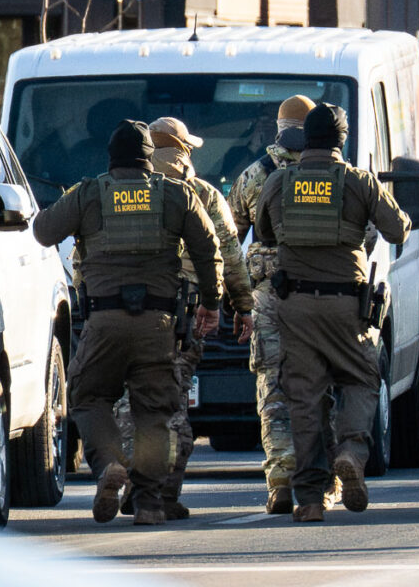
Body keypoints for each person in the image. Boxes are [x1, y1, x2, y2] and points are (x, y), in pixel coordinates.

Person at [33, 120, 224, 526]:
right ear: (149, 157)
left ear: (110, 156)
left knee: (86, 395)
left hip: (104, 321)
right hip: (159, 323)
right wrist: (211, 302)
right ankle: (150, 502)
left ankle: (109, 467)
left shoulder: (88, 194)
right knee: (155, 410)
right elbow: (208, 249)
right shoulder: (176, 194)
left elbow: (43, 231)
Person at [255, 103, 411, 522]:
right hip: (347, 306)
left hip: (296, 308)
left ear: (306, 139)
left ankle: (309, 499)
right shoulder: (359, 182)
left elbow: (264, 233)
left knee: (304, 400)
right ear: (342, 140)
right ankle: (351, 452)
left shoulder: (277, 182)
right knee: (361, 377)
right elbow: (398, 229)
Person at [111, 116, 256, 521]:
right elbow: (228, 253)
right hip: (183, 317)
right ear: (182, 151)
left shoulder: (116, 189)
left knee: (129, 403)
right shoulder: (203, 195)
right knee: (172, 407)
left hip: (122, 310)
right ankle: (158, 494)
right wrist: (242, 306)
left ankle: (131, 479)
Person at [227, 94, 339, 515]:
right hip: (323, 299)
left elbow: (230, 240)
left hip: (270, 299)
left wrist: (238, 300)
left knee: (273, 391)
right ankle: (322, 483)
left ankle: (280, 484)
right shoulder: (335, 172)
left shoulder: (255, 176)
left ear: (278, 129)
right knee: (320, 391)